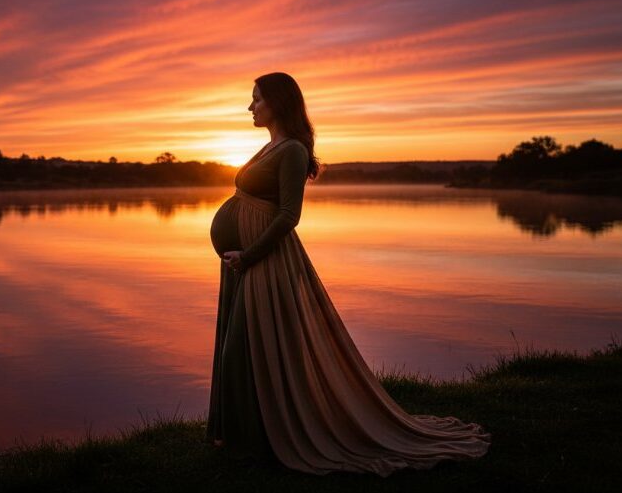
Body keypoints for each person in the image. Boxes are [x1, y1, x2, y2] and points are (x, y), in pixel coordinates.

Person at [206, 72, 491, 476]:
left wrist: (249, 255)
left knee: (246, 346)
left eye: (256, 99)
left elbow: (289, 215)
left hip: (263, 260)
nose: (249, 107)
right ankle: (247, 439)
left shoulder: (291, 151)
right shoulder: (269, 147)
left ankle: (262, 440)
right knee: (247, 346)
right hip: (246, 259)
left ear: (277, 103)